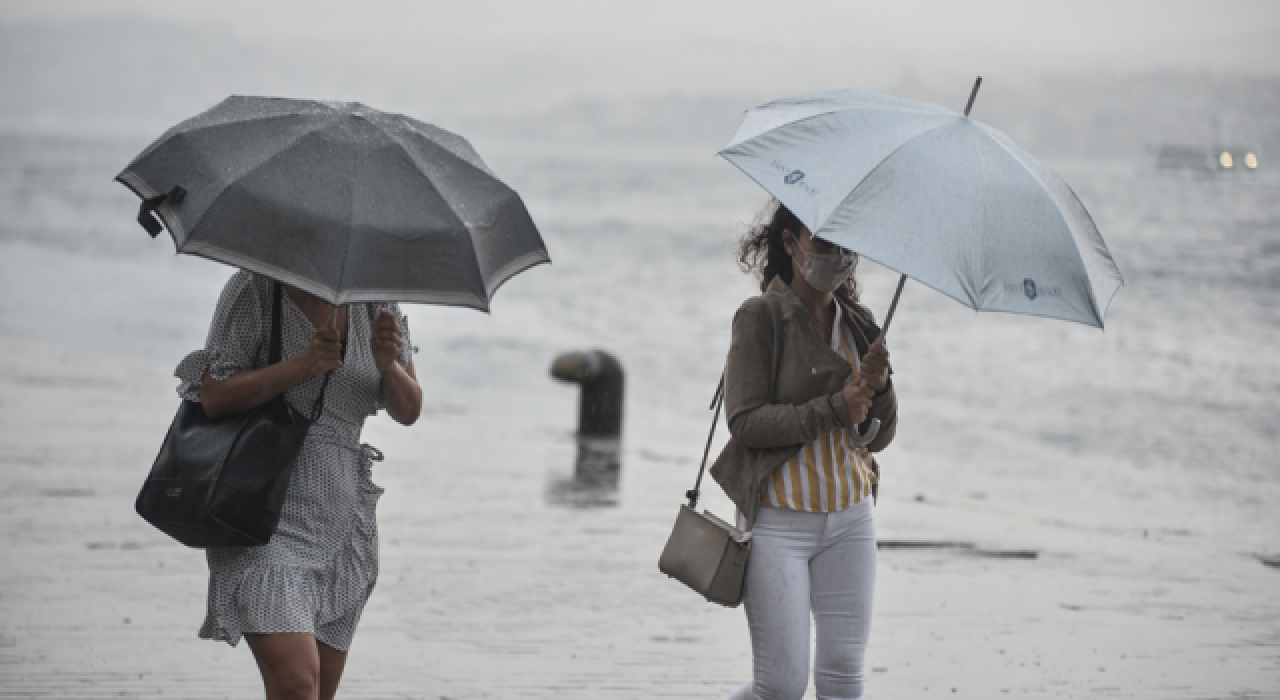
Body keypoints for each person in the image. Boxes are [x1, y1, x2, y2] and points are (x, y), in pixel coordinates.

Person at [174, 270, 422, 700]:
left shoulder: (378, 305)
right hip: (260, 514)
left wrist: (388, 367)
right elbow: (213, 396)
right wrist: (302, 367)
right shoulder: (255, 289)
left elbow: (409, 408)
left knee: (318, 693)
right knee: (296, 683)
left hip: (341, 526)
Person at [710, 200, 898, 700]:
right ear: (791, 244)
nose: (837, 256)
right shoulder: (761, 317)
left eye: (846, 245)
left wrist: (879, 390)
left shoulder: (860, 324)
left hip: (852, 519)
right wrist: (837, 406)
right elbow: (745, 422)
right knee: (781, 686)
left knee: (843, 679)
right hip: (779, 521)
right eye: (824, 242)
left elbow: (878, 436)